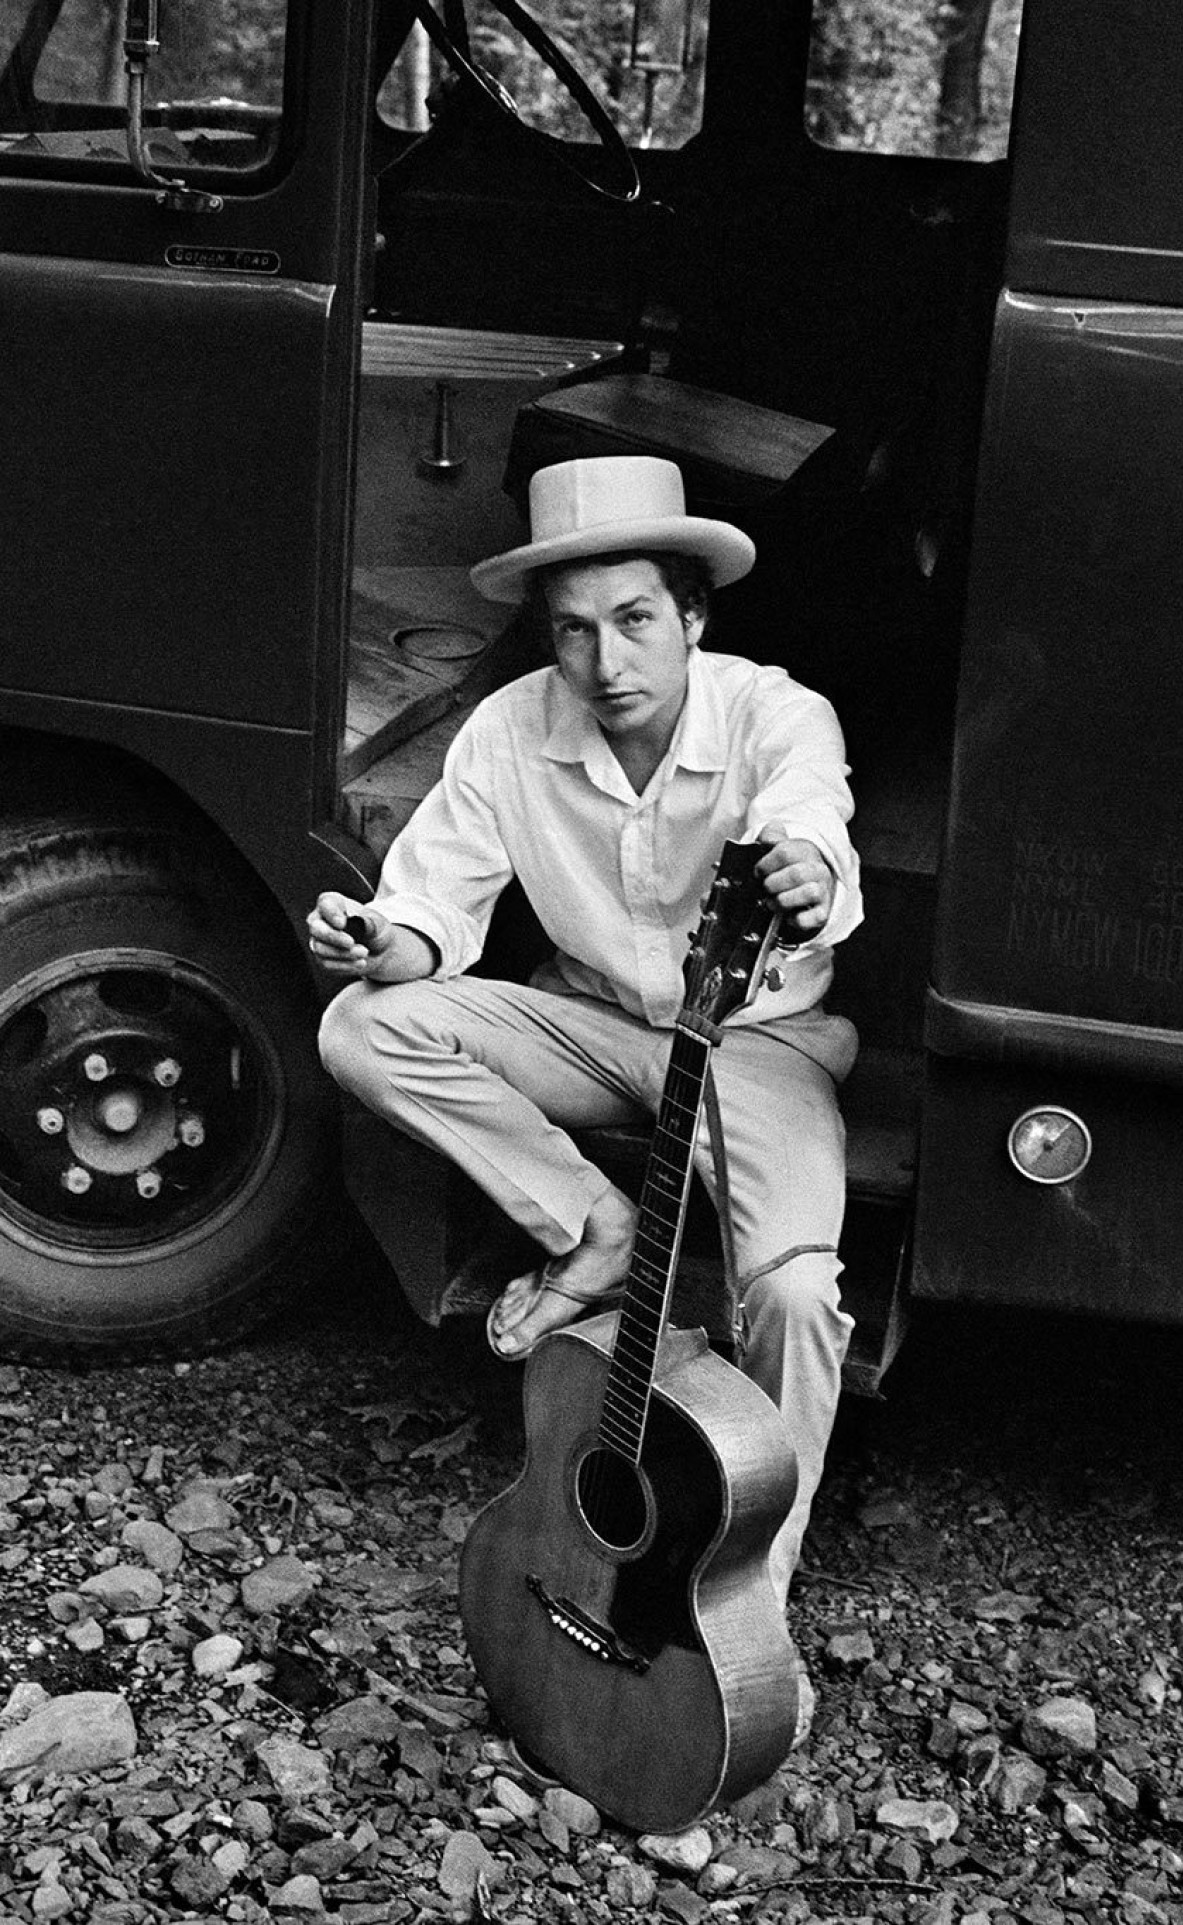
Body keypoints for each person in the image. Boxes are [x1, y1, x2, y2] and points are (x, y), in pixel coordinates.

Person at [309, 455, 864, 1745]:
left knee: (791, 1291)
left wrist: (798, 870)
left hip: (753, 1041)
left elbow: (816, 832)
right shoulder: (512, 727)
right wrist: (379, 941)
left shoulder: (780, 714)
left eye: (634, 621)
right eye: (574, 628)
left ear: (694, 617)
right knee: (362, 1028)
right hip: (597, 1022)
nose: (606, 659)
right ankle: (592, 1228)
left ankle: (746, 1604)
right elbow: (432, 904)